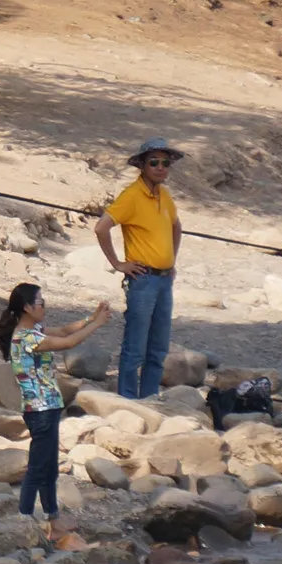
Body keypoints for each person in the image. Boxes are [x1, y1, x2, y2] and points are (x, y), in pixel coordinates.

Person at [0, 282, 111, 533]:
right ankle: (24, 518)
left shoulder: (34, 330)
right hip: (40, 410)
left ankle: (52, 516)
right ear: (27, 308)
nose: (44, 306)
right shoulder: (27, 338)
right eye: (41, 303)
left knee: (49, 465)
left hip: (47, 407)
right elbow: (68, 342)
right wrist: (97, 324)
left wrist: (90, 317)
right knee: (39, 467)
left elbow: (65, 330)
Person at [94, 141, 185, 401]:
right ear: (142, 166)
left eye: (165, 163)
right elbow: (102, 227)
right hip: (142, 280)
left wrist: (171, 261)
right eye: (154, 162)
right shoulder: (131, 196)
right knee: (135, 347)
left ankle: (150, 399)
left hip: (164, 279)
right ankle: (127, 399)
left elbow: (176, 227)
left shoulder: (164, 195)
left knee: (158, 347)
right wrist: (118, 263)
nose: (160, 167)